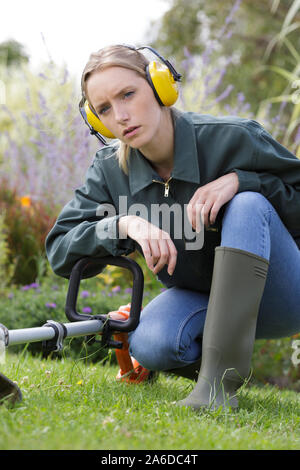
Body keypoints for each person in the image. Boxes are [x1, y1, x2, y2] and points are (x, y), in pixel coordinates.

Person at [45, 44, 300, 411]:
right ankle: (223, 361)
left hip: (282, 296)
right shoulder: (108, 171)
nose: (121, 115)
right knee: (150, 344)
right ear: (96, 120)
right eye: (104, 109)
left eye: (128, 94)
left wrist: (244, 182)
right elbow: (59, 250)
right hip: (202, 298)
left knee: (246, 204)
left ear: (160, 86)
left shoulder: (232, 137)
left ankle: (216, 390)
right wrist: (123, 224)